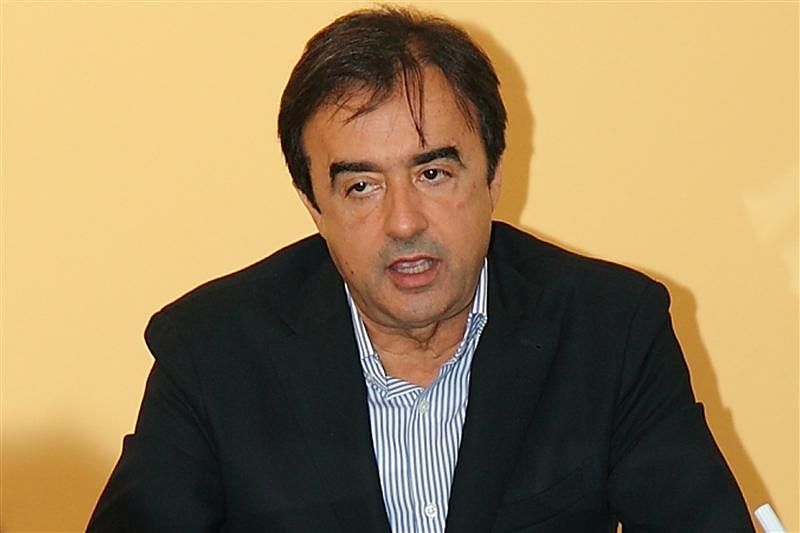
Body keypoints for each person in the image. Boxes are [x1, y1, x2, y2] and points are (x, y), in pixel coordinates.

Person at [88, 6, 753, 532]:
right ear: (314, 205)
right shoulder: (211, 355)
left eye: (433, 173)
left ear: (493, 175)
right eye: (361, 187)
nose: (404, 222)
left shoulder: (611, 331)